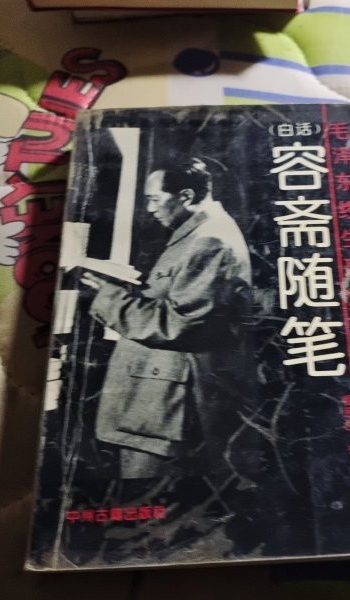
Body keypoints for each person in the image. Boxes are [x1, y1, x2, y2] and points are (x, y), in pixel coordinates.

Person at [81, 158, 252, 482]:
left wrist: (107, 297)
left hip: (164, 410)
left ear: (185, 196)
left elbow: (178, 324)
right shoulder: (198, 233)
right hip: (157, 404)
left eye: (154, 199)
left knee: (149, 497)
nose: (149, 209)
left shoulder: (209, 240)